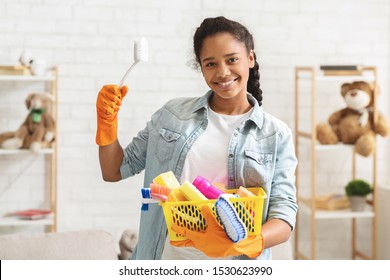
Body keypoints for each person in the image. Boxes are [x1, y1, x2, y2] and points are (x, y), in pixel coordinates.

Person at [96, 16, 298, 260]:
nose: (223, 72)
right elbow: (114, 171)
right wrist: (107, 124)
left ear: (250, 59)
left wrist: (251, 241)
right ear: (201, 68)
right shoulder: (171, 116)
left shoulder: (275, 135)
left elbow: (284, 213)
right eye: (210, 64)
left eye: (232, 59)